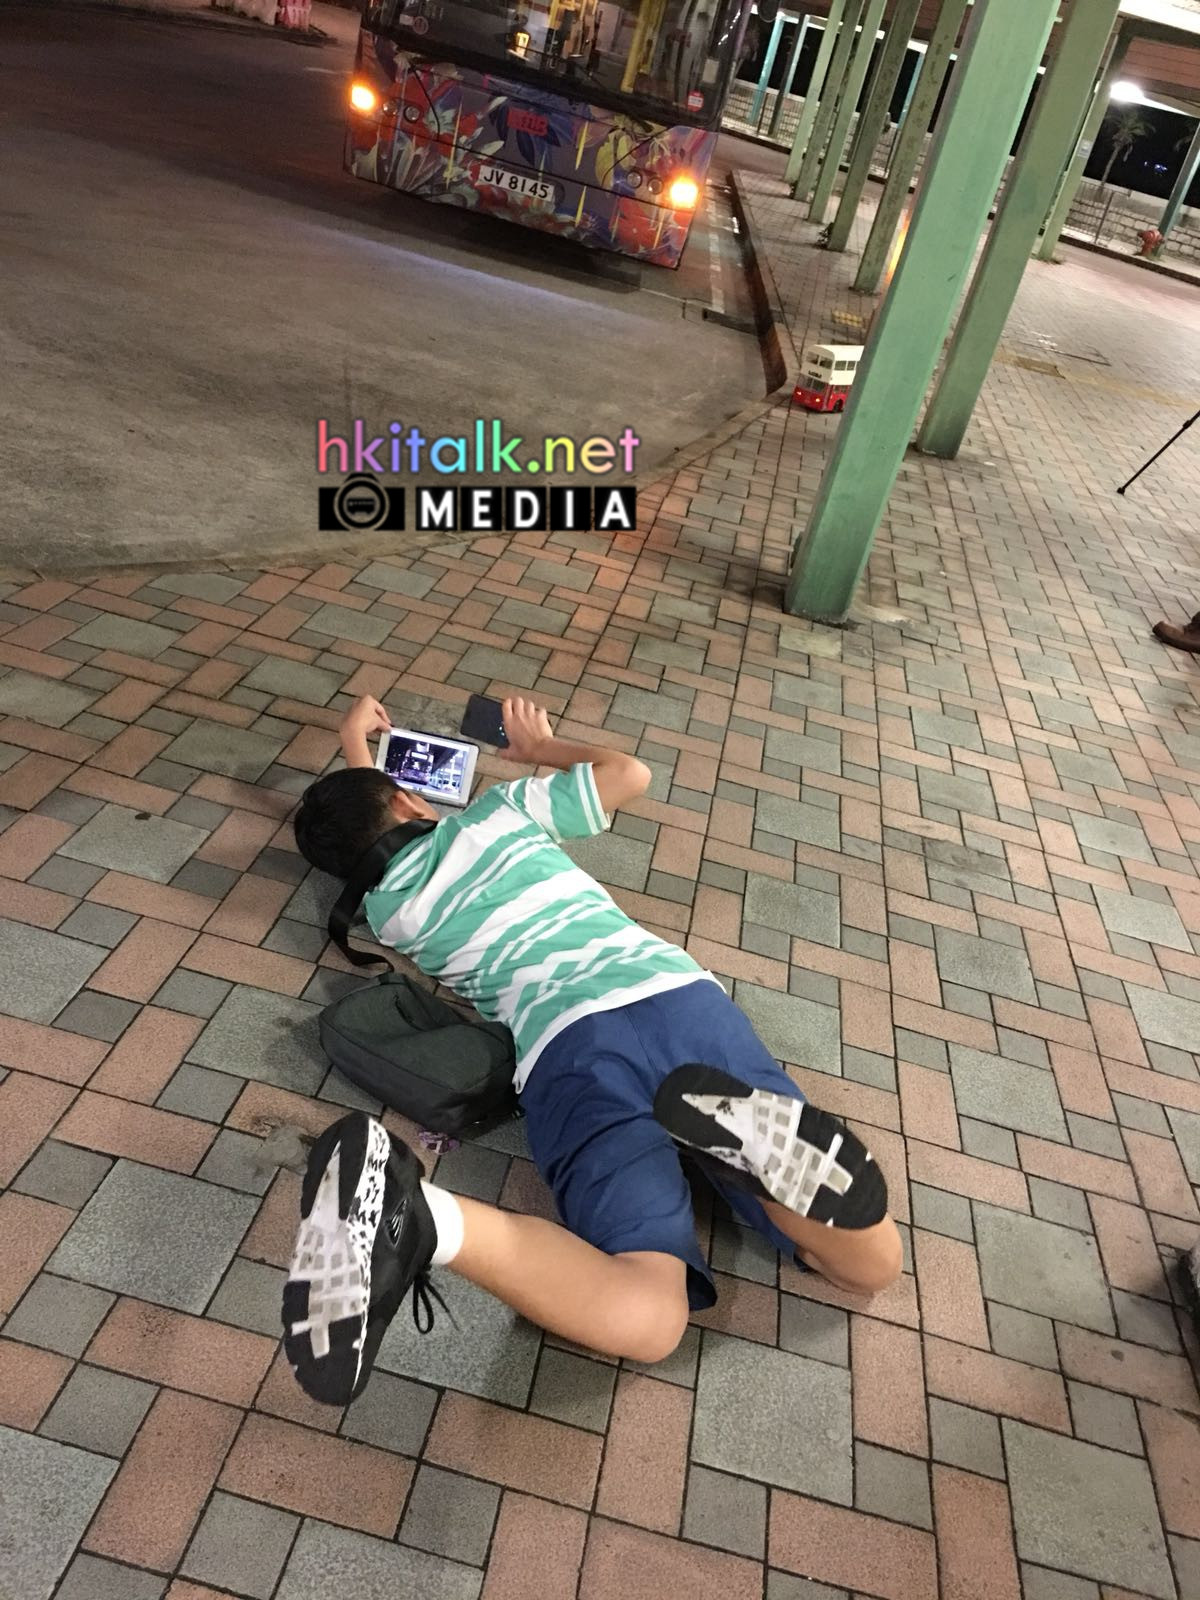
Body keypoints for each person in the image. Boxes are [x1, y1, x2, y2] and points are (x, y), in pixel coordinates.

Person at [283, 694, 903, 1404]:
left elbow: (371, 835)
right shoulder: (499, 817)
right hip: (679, 1002)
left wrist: (357, 778)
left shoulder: (390, 913)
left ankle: (424, 1218)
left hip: (567, 1050)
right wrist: (537, 750)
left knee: (651, 1317)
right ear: (405, 798)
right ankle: (758, 1148)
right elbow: (629, 773)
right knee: (870, 1270)